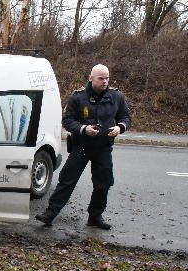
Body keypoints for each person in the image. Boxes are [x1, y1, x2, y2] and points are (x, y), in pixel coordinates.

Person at [36, 64, 132, 230]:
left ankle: (95, 217)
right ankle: (50, 214)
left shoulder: (117, 96)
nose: (105, 81)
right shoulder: (77, 98)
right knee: (67, 181)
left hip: (103, 148)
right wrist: (83, 129)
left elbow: (126, 117)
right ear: (91, 78)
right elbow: (67, 121)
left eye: (107, 78)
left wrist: (120, 127)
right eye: (101, 78)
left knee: (103, 184)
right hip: (81, 147)